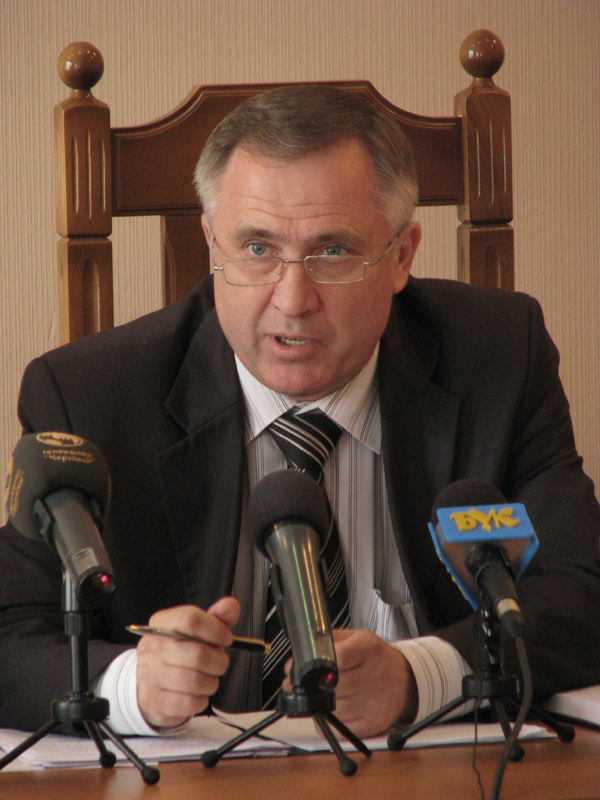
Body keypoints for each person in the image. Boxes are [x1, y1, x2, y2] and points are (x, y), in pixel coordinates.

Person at [1, 85, 599, 739]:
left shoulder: (499, 358)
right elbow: (11, 636)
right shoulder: (90, 397)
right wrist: (131, 685)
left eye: (332, 251)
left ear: (401, 255)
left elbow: (583, 592)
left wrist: (420, 675)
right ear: (212, 244)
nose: (292, 299)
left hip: (434, 767)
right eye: (257, 249)